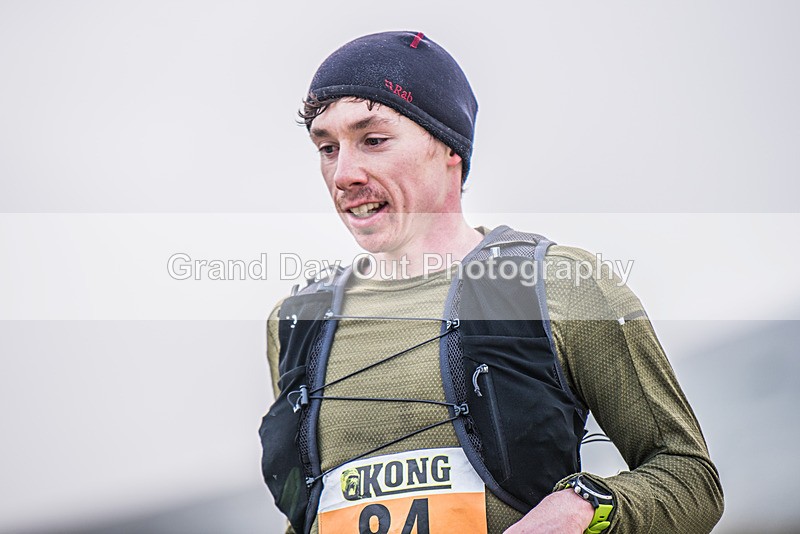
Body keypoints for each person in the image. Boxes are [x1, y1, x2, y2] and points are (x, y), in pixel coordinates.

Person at [259, 31, 723, 534]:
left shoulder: (558, 286)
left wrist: (580, 508)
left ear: (449, 148)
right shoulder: (296, 322)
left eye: (373, 140)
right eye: (327, 148)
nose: (343, 173)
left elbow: (690, 479)